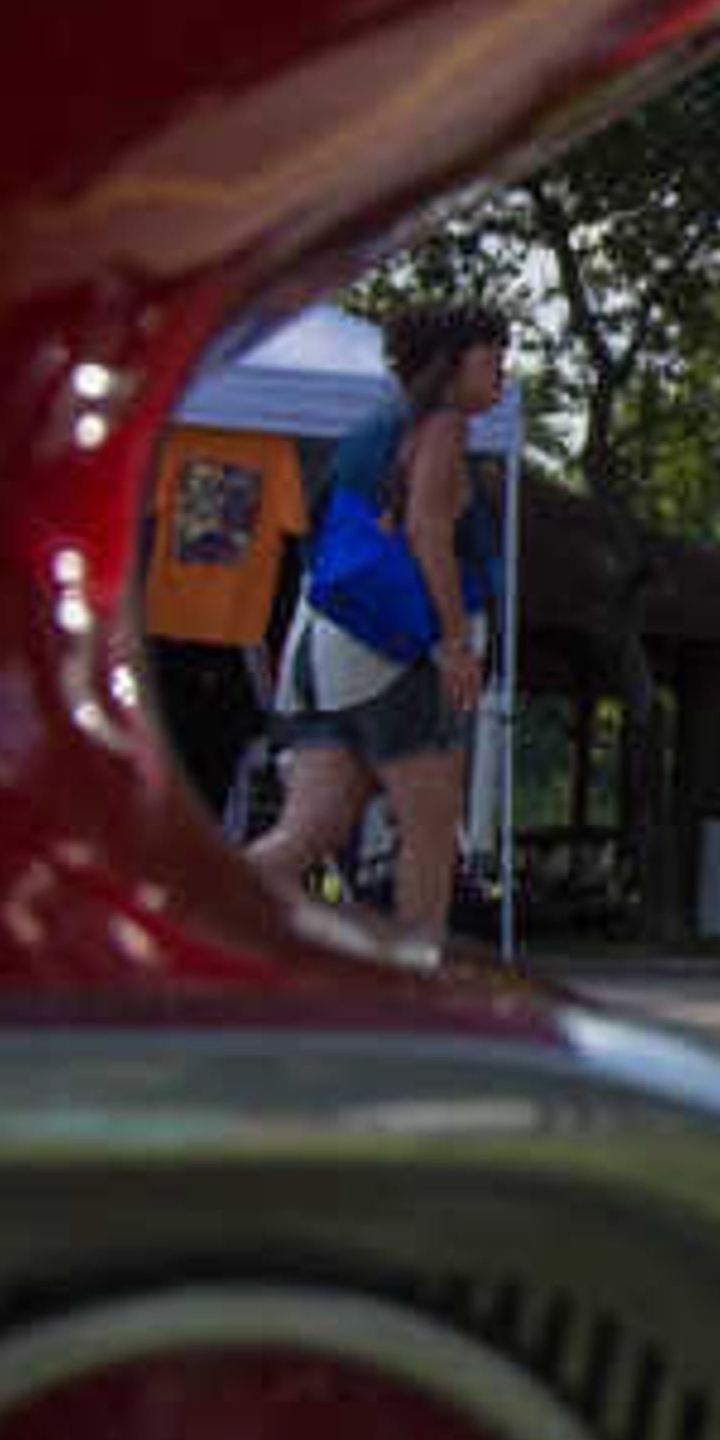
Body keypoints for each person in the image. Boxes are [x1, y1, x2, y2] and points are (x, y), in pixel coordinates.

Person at [246, 297, 510, 955]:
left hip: (321, 641)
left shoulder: (374, 429)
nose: (502, 370)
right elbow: (429, 530)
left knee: (313, 824)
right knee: (429, 824)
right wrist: (453, 643)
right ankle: (418, 975)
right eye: (492, 356)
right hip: (396, 653)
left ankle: (191, 912)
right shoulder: (443, 426)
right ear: (452, 365)